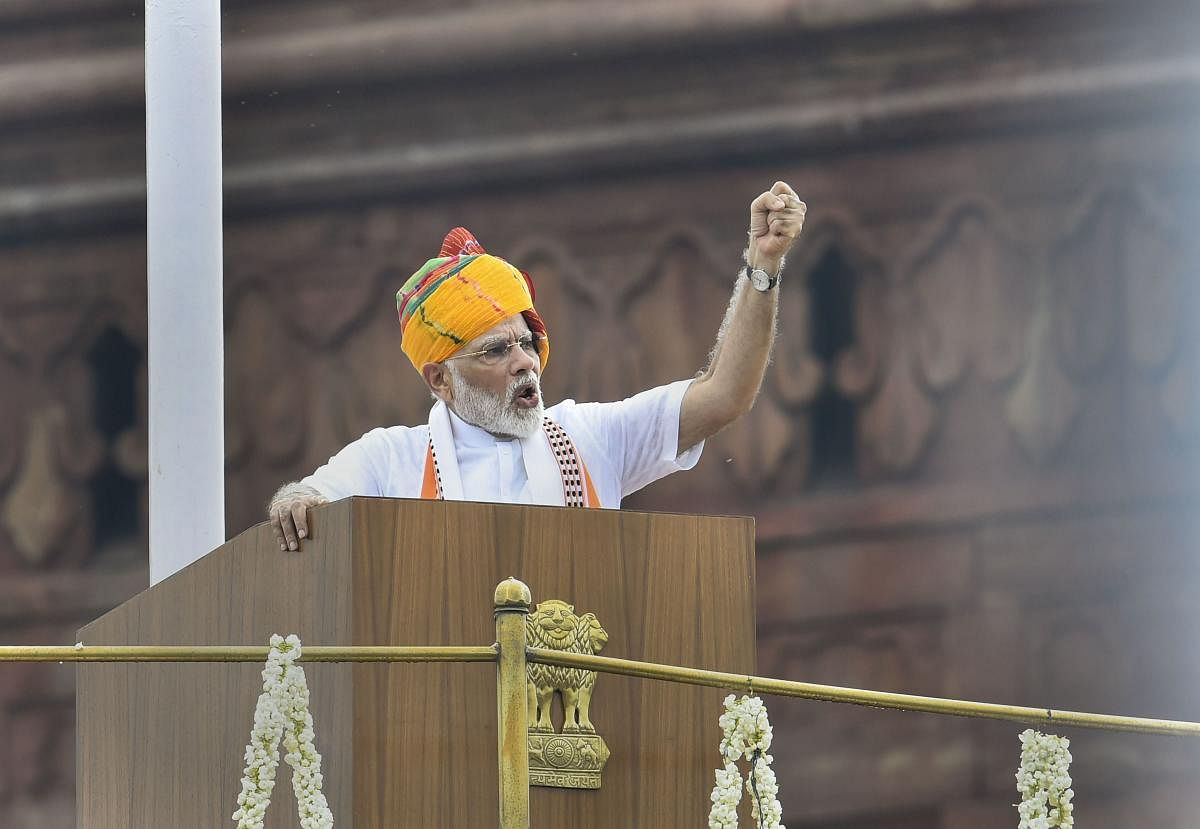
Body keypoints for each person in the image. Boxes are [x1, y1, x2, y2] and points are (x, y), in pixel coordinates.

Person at [268, 181, 807, 551]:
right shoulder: (391, 460)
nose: (525, 361)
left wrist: (763, 267)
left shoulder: (588, 438)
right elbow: (305, 501)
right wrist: (298, 503)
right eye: (496, 350)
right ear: (441, 380)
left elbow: (726, 395)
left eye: (525, 342)